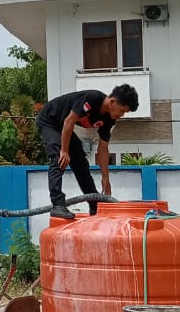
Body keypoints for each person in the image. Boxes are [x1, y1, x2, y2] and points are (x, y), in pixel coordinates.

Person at [35, 84, 139, 220]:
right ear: (113, 102)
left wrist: (105, 177)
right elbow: (69, 120)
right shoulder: (92, 98)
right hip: (50, 120)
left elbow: (103, 148)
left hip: (64, 126)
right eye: (122, 110)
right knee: (59, 158)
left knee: (81, 162)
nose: (122, 115)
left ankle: (94, 203)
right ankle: (57, 205)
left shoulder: (109, 120)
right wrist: (64, 151)